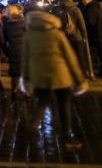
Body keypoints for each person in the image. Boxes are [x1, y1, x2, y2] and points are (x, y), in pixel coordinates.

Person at [22, 10, 87, 151]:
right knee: (64, 106)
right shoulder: (57, 34)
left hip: (39, 76)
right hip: (60, 75)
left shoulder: (29, 35)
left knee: (41, 104)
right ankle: (66, 137)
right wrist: (79, 79)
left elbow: (25, 59)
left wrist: (25, 78)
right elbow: (70, 57)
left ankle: (31, 129)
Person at [53, 0, 91, 79]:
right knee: (80, 57)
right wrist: (84, 36)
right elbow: (82, 24)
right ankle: (84, 74)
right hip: (76, 37)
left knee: (68, 57)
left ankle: (70, 75)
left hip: (64, 37)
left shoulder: (57, 10)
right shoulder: (75, 9)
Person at [82, 0, 102, 80]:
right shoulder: (97, 6)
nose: (82, 1)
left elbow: (91, 21)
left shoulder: (90, 7)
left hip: (97, 33)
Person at [3, 4, 26, 99]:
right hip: (24, 51)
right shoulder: (24, 23)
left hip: (12, 51)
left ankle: (14, 93)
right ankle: (27, 93)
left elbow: (3, 40)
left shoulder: (6, 26)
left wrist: (6, 52)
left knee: (14, 74)